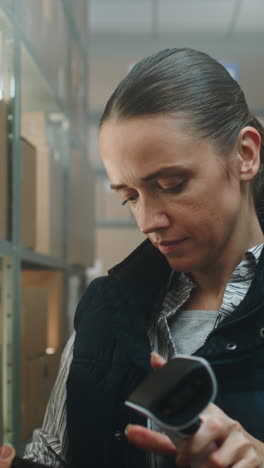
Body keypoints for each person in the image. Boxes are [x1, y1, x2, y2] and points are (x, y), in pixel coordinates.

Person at [23, 47, 264, 468]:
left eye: (171, 184)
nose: (147, 221)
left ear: (245, 154)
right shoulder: (105, 308)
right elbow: (53, 453)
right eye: (129, 198)